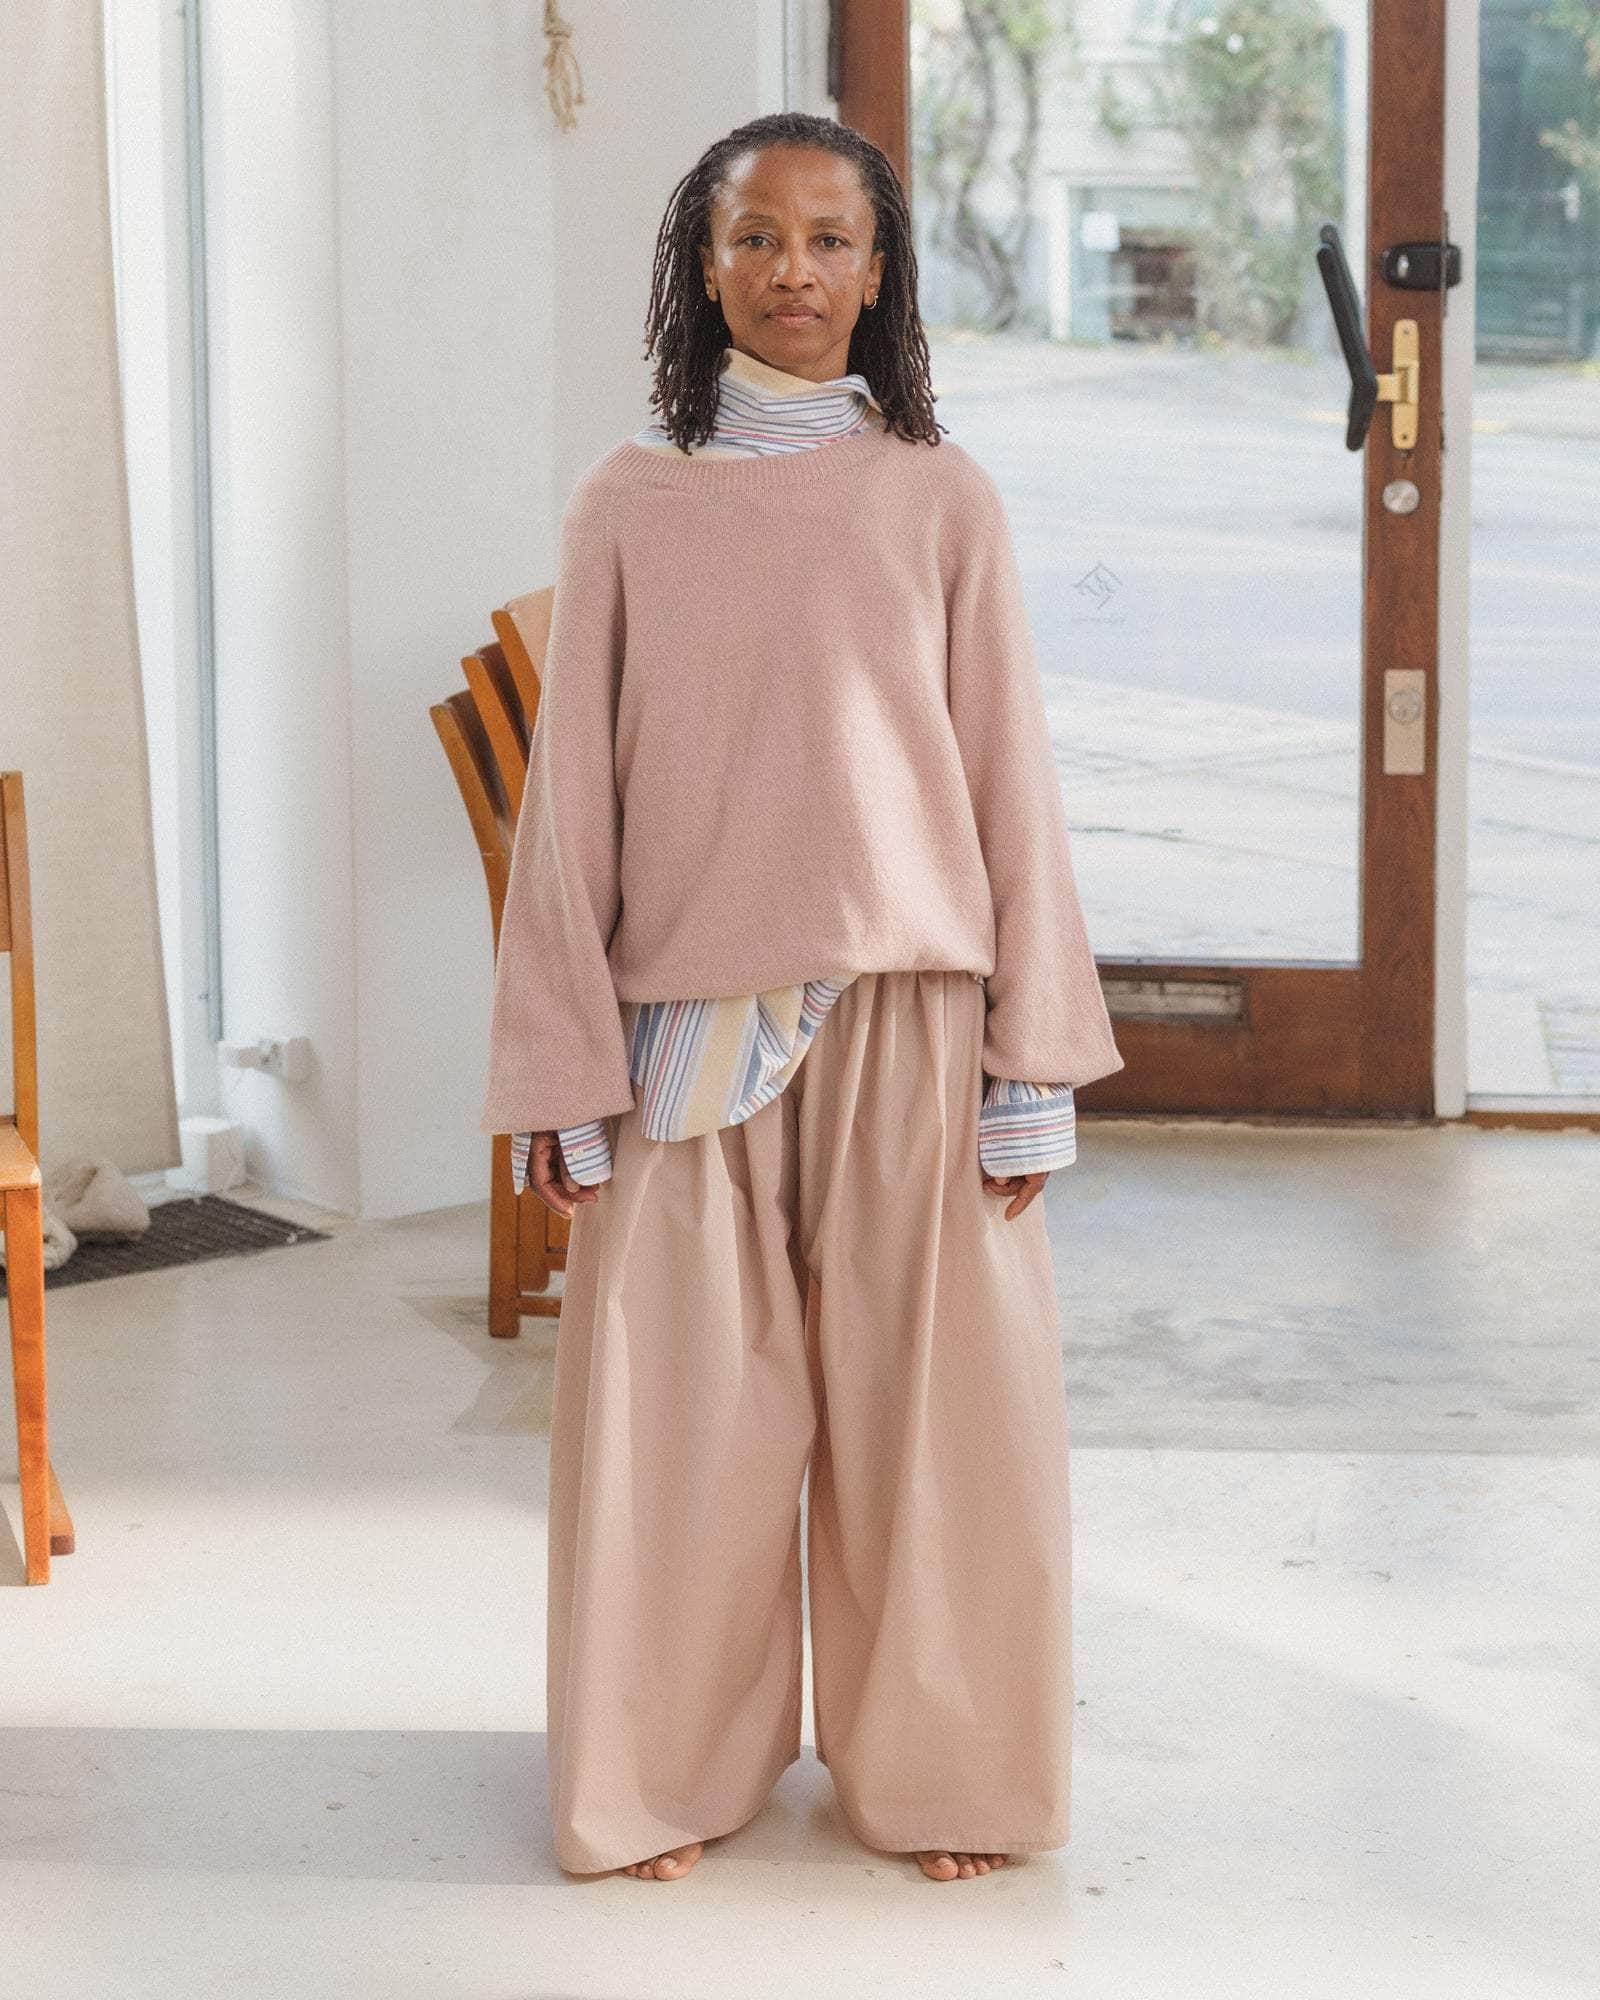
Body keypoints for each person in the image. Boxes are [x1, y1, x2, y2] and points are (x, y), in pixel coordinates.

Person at [480, 110, 1124, 1885]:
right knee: (675, 1432)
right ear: (703, 266)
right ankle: (662, 1777)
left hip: (913, 1010)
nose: (794, 271)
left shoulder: (940, 495)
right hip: (682, 1030)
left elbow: (1008, 779)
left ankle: (950, 1778)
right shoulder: (628, 500)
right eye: (757, 236)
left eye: (831, 240)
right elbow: (568, 810)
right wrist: (560, 1069)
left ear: (878, 270)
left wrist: (1032, 1061)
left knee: (943, 1433)